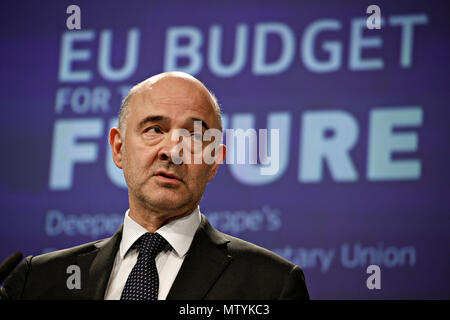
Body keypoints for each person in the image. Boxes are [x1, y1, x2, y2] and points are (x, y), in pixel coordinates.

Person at [0, 72, 309, 300]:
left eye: (194, 135)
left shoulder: (271, 285)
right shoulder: (38, 281)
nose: (172, 150)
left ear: (215, 161)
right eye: (155, 129)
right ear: (118, 148)